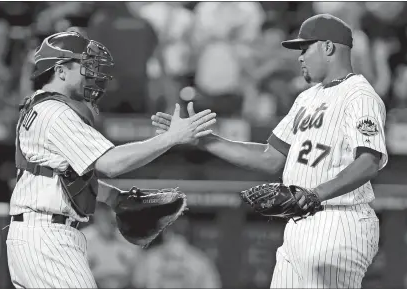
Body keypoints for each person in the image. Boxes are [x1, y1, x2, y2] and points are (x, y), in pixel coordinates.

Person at [152, 14, 387, 288]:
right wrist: (204, 141)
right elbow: (270, 157)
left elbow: (369, 161)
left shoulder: (360, 95)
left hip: (340, 221)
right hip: (299, 224)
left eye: (305, 48)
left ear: (328, 47)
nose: (299, 57)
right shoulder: (307, 97)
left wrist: (315, 193)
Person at [6, 30, 216, 289]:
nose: (93, 75)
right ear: (60, 70)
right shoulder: (55, 112)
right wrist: (171, 138)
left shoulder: (42, 107)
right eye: (85, 66)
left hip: (38, 235)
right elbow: (110, 163)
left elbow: (62, 178)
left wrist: (114, 198)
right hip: (47, 238)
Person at [131, 217, 222, 288]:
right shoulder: (201, 261)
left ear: (165, 232)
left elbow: (137, 283)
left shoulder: (148, 259)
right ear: (188, 234)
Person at [81, 202, 141, 288]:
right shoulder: (83, 238)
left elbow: (137, 272)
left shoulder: (128, 239)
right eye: (102, 216)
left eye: (108, 215)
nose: (106, 220)